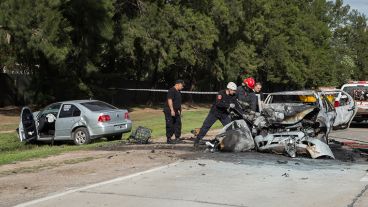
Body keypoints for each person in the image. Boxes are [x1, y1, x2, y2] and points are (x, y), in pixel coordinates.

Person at [194, 82, 238, 146]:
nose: (234, 92)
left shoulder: (233, 96)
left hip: (224, 114)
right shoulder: (221, 93)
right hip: (214, 113)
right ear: (229, 89)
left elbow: (236, 105)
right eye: (233, 90)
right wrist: (228, 105)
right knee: (206, 126)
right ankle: (197, 141)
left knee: (229, 127)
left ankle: (232, 142)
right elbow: (218, 103)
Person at [164, 80, 185, 144]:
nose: (182, 87)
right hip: (169, 110)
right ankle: (169, 139)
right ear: (177, 84)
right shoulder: (171, 90)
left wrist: (180, 110)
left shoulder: (178, 92)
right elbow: (169, 100)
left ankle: (177, 138)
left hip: (176, 111)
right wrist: (172, 110)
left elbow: (178, 102)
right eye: (182, 85)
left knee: (178, 124)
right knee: (170, 124)